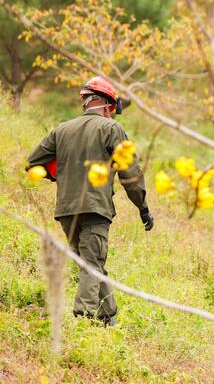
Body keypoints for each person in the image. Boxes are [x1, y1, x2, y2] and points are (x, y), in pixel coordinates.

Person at [26, 77, 153, 326]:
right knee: (92, 264)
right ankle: (83, 320)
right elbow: (131, 173)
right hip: (95, 209)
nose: (112, 114)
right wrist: (143, 208)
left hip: (66, 210)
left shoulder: (61, 130)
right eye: (112, 110)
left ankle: (109, 317)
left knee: (90, 263)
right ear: (107, 105)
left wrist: (58, 176)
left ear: (86, 102)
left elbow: (32, 163)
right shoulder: (111, 129)